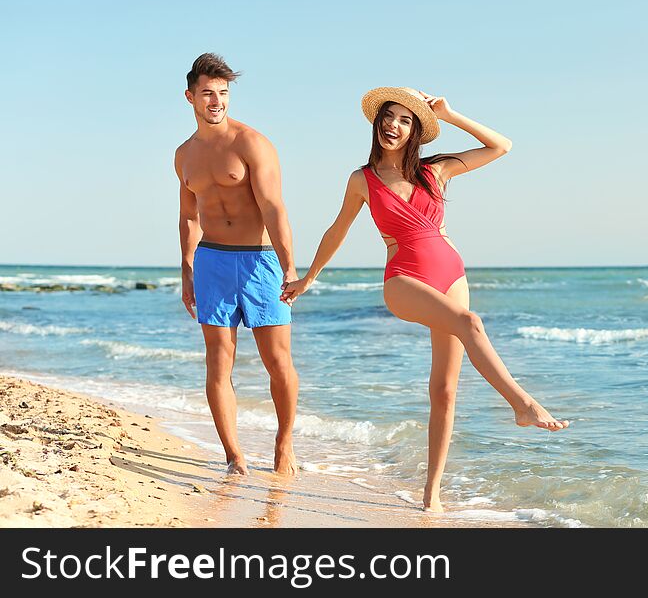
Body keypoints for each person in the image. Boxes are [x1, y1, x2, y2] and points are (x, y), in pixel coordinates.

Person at [287, 87, 568, 511]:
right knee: (471, 323)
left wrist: (450, 114)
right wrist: (309, 277)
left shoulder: (436, 171)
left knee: (445, 390)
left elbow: (501, 146)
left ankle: (431, 493)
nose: (393, 125)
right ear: (377, 122)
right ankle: (522, 404)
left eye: (404, 120)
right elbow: (337, 230)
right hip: (403, 278)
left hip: (452, 274)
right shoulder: (362, 179)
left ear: (415, 130)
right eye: (388, 116)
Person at [174, 53, 300, 476]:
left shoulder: (251, 143)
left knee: (277, 360)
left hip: (260, 261)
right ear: (190, 97)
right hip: (212, 261)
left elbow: (274, 207)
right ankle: (234, 456)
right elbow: (189, 217)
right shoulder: (183, 156)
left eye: (223, 93)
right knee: (218, 359)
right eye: (207, 93)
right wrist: (187, 269)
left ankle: (284, 444)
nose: (216, 101)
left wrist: (289, 267)